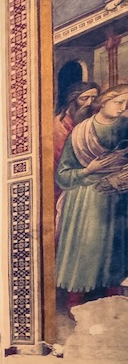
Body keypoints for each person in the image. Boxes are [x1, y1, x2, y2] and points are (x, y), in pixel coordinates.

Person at [54, 84, 128, 310]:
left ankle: (114, 304)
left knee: (116, 254)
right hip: (85, 201)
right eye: (119, 102)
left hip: (118, 200)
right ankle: (75, 304)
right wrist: (89, 170)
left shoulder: (126, 127)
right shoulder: (80, 133)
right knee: (86, 251)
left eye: (127, 104)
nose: (123, 108)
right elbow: (63, 175)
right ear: (103, 102)